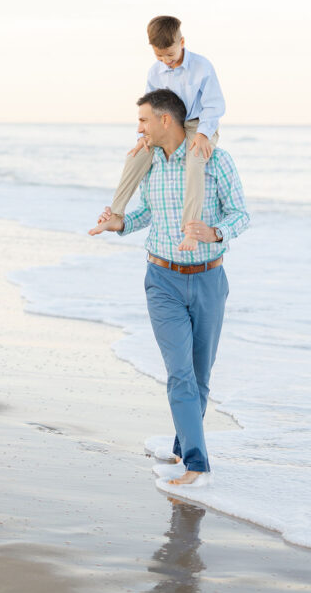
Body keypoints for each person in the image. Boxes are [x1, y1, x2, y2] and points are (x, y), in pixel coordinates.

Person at [89, 89, 249, 486]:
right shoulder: (148, 163)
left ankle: (181, 450)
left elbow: (241, 215)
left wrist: (214, 232)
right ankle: (197, 464)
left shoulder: (214, 159)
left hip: (210, 278)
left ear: (165, 121)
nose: (138, 128)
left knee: (200, 376)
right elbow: (147, 213)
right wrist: (120, 223)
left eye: (144, 120)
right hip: (162, 280)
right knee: (180, 374)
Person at [106, 15, 226, 252]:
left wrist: (203, 134)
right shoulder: (155, 72)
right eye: (159, 56)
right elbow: (149, 106)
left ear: (182, 42)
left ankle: (190, 231)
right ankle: (116, 213)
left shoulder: (202, 67)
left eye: (170, 55)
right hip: (166, 125)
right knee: (136, 156)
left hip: (198, 124)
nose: (166, 61)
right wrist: (144, 137)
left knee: (195, 161)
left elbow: (215, 106)